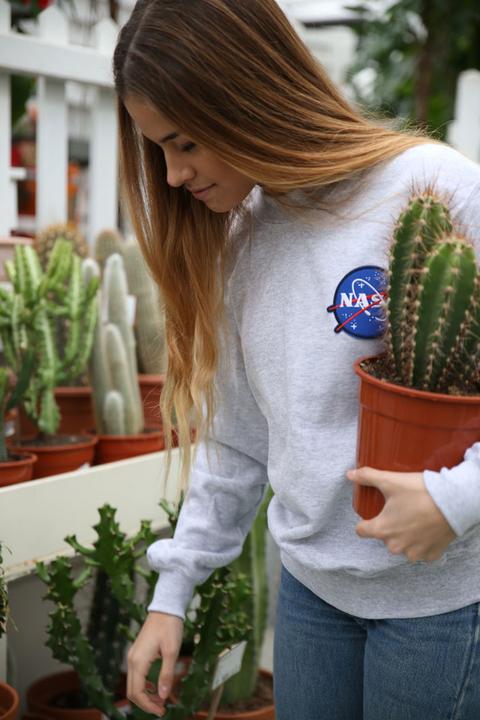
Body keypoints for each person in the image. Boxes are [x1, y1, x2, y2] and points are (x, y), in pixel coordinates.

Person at [112, 1, 480, 718]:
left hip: (439, 608)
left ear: (247, 96)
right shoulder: (242, 236)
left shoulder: (436, 187)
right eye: (158, 149)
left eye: (184, 143)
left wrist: (457, 498)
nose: (174, 175)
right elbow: (239, 441)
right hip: (311, 595)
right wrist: (173, 590)